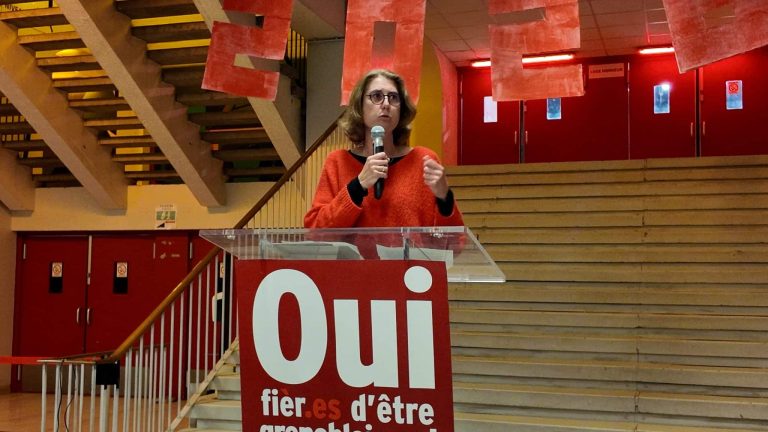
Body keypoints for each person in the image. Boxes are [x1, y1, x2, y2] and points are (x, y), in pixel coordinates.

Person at [304, 69, 464, 228]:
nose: (386, 104)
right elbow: (315, 229)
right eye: (377, 96)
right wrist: (358, 185)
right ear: (360, 106)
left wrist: (445, 198)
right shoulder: (338, 162)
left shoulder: (423, 160)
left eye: (393, 97)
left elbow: (454, 240)